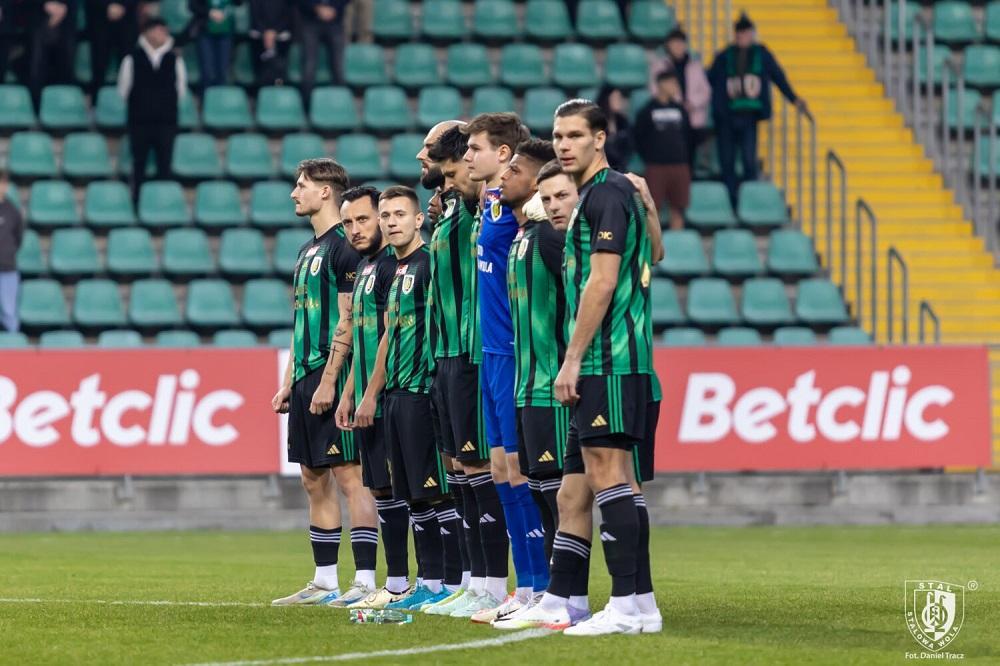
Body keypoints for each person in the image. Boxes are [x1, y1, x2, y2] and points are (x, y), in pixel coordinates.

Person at [551, 99, 657, 636]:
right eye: (557, 136)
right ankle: (639, 603)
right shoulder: (608, 194)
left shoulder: (605, 194)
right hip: (622, 357)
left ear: (599, 138)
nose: (564, 145)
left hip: (607, 357)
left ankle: (623, 605)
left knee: (607, 473)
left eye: (574, 135)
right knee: (618, 479)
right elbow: (655, 254)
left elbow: (604, 281)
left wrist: (572, 358)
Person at [271, 159, 377, 607]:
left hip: (331, 377)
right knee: (313, 479)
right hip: (304, 379)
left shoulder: (343, 249)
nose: (295, 193)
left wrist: (331, 381)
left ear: (326, 192)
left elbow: (350, 319)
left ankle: (367, 581)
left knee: (351, 476)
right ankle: (325, 580)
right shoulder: (305, 251)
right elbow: (301, 321)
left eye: (302, 186)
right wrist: (287, 380)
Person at [462, 113, 550, 623]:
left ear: (505, 155)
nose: (469, 155)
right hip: (491, 353)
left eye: (476, 147)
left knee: (520, 470)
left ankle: (542, 583)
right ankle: (525, 586)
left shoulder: (524, 210)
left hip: (517, 351)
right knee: (500, 468)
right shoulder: (489, 204)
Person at [421, 124, 501, 619]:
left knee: (480, 471)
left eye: (429, 152)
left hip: (472, 353)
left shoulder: (475, 204)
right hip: (444, 354)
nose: (420, 158)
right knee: (459, 473)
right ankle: (473, 580)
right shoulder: (448, 209)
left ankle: (493, 583)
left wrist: (460, 183)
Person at [364, 186, 456, 612]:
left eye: (400, 213)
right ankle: (431, 582)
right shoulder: (394, 270)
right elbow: (388, 336)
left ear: (419, 219)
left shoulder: (430, 264)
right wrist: (371, 394)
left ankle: (457, 582)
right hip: (396, 394)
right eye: (385, 215)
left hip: (423, 390)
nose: (391, 221)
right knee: (414, 495)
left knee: (437, 493)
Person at [498, 143, 562, 574]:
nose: (504, 175)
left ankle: (566, 592)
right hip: (525, 383)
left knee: (561, 494)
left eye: (514, 169)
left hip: (552, 383)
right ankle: (549, 589)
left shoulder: (552, 239)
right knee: (539, 487)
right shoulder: (521, 238)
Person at [709, 13, 807, 204]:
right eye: (739, 33)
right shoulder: (724, 56)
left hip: (749, 117)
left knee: (748, 160)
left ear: (752, 34)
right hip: (727, 117)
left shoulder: (761, 54)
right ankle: (730, 201)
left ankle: (748, 200)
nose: (741, 37)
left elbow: (778, 77)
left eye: (745, 33)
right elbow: (710, 80)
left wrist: (793, 98)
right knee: (727, 160)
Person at [117, 17, 188, 200]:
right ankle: (137, 202)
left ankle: (162, 203)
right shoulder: (131, 59)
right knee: (138, 164)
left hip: (166, 122)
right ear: (146, 33)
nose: (161, 35)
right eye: (157, 30)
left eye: (163, 31)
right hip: (139, 122)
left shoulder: (175, 59)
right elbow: (124, 89)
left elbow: (180, 89)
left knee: (165, 165)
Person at [634, 71, 692, 230]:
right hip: (656, 166)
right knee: (653, 208)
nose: (675, 87)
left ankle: (677, 245)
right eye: (671, 83)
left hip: (680, 164)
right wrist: (649, 156)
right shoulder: (647, 110)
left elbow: (688, 136)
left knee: (678, 208)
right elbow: (638, 137)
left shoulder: (681, 109)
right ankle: (654, 247)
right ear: (661, 85)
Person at [650, 27, 711, 171]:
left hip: (692, 119)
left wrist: (692, 103)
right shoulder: (660, 66)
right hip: (670, 120)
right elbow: (655, 89)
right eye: (674, 43)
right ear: (668, 45)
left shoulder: (695, 66)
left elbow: (706, 91)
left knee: (690, 159)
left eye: (681, 43)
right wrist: (675, 104)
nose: (678, 46)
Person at [27, 0, 78, 105]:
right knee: (38, 68)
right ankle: (37, 107)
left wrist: (62, 9)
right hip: (38, 20)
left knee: (65, 67)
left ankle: (64, 107)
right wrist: (45, 5)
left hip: (66, 23)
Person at [297, 0, 349, 101]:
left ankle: (340, 104)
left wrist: (334, 8)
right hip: (310, 21)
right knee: (309, 67)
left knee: (338, 68)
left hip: (335, 22)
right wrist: (316, 8)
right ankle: (307, 106)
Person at [84, 1, 138, 96]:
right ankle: (96, 103)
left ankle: (131, 102)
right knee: (99, 66)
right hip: (99, 21)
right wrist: (107, 6)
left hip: (127, 22)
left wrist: (123, 6)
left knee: (128, 66)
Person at [189, 0, 236, 88]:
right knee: (207, 71)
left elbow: (239, 3)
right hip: (205, 32)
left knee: (223, 72)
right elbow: (192, 5)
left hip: (226, 33)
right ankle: (206, 99)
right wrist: (209, 12)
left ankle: (220, 100)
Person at [246, 0, 293, 86]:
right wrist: (265, 32)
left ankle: (279, 88)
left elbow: (289, 12)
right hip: (259, 36)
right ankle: (260, 93)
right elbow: (254, 13)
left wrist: (275, 32)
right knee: (261, 71)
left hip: (281, 35)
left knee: (279, 71)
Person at [0, 174, 23, 333]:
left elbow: (18, 237)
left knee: (9, 311)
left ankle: (14, 350)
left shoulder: (12, 210)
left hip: (7, 269)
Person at [595, 85, 632, 173]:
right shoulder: (597, 122)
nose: (619, 101)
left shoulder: (623, 121)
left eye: (620, 98)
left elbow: (630, 145)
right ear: (606, 100)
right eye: (615, 98)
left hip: (620, 167)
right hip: (600, 169)